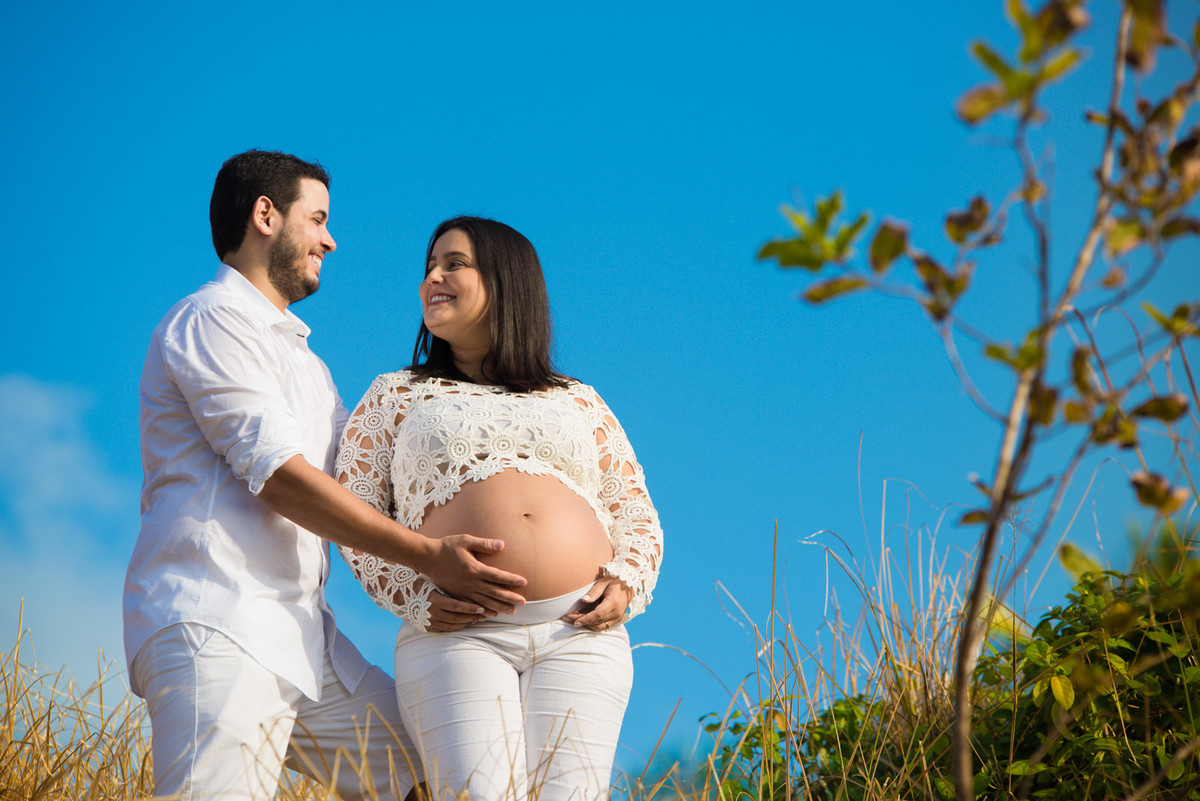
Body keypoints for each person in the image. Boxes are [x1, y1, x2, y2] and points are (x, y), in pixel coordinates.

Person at [123, 153, 528, 801]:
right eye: (316, 219)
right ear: (265, 215)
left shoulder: (306, 364)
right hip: (219, 621)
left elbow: (373, 473)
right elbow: (279, 475)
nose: (329, 239)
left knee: (440, 766)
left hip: (306, 638)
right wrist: (429, 557)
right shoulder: (210, 320)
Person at [335, 216, 664, 800]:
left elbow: (632, 507)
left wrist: (627, 580)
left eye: (453, 263)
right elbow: (352, 515)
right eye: (429, 267)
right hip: (461, 635)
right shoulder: (396, 393)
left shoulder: (576, 398)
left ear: (506, 280)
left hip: (581, 634)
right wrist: (413, 593)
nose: (432, 277)